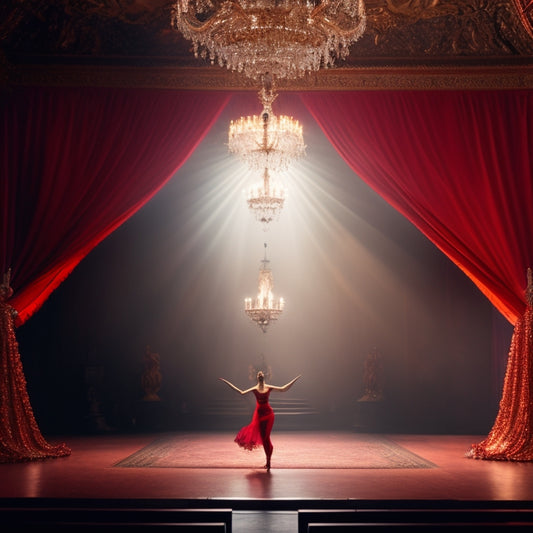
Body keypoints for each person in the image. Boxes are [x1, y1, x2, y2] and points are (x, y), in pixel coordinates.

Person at [219, 371, 301, 469]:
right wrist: (226, 382)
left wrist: (295, 379)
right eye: (259, 374)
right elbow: (241, 392)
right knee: (264, 438)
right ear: (258, 378)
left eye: (261, 374)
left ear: (263, 377)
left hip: (269, 414)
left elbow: (283, 389)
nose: (260, 374)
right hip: (260, 415)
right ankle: (268, 460)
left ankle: (268, 462)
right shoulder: (255, 389)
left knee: (266, 438)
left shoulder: (268, 387)